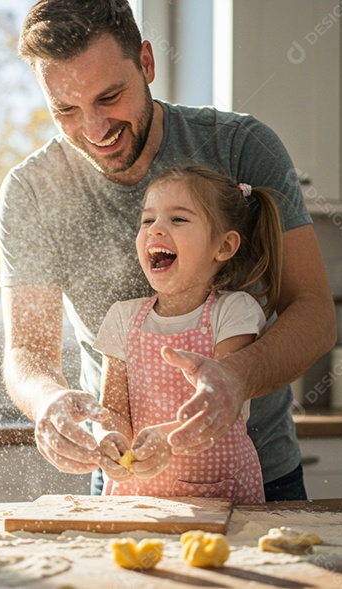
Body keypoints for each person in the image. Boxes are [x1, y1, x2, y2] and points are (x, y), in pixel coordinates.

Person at [0, 0, 336, 501]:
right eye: (65, 110)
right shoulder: (32, 191)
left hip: (260, 478)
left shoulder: (240, 147)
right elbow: (27, 351)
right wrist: (47, 401)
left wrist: (236, 378)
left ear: (147, 64)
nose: (94, 130)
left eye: (110, 96)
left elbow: (314, 315)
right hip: (122, 476)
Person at [92, 165, 285, 503]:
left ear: (223, 246)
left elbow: (221, 405)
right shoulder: (121, 317)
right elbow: (114, 411)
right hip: (139, 499)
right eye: (147, 220)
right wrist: (110, 439)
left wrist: (169, 441)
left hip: (223, 497)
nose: (156, 230)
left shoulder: (234, 312)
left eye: (178, 220)